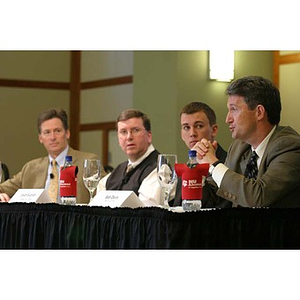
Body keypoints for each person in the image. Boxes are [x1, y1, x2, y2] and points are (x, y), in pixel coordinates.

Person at [196, 75, 300, 208]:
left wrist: (214, 164)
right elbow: (216, 198)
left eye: (234, 109)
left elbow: (259, 197)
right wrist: (198, 170)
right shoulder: (239, 147)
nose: (228, 119)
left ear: (259, 112)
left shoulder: (290, 146)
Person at [0, 108, 106, 204]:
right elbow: (3, 188)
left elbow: (107, 191)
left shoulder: (87, 161)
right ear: (40, 138)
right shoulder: (30, 168)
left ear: (67, 133)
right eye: (47, 132)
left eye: (57, 131)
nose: (52, 137)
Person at [97, 109, 163, 206]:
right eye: (123, 132)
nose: (129, 137)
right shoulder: (117, 171)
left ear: (149, 136)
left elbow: (146, 211)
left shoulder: (159, 168)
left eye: (135, 130)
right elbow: (98, 205)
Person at [171, 101, 231, 208]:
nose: (192, 133)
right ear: (181, 134)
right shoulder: (187, 166)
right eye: (186, 127)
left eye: (198, 126)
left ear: (214, 130)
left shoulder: (229, 163)